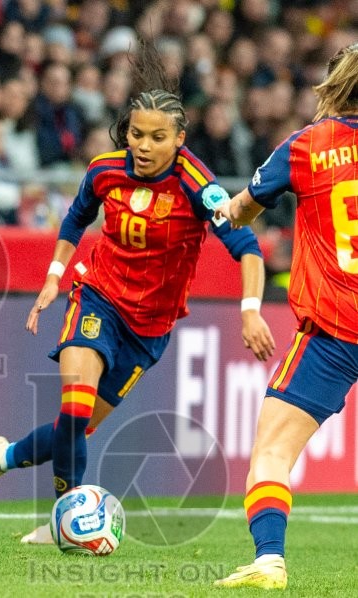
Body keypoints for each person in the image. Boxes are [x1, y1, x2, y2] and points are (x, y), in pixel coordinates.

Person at [0, 38, 277, 543]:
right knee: (75, 406)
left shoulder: (198, 184)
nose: (143, 146)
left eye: (156, 137)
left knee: (73, 428)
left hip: (150, 329)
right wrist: (53, 279)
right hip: (98, 296)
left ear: (180, 139)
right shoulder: (105, 170)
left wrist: (251, 311)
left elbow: (247, 245)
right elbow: (76, 218)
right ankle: (65, 517)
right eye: (135, 134)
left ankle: (1, 457)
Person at [213, 42, 358, 591]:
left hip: (335, 327)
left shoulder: (307, 146)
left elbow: (243, 209)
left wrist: (224, 209)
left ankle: (269, 561)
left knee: (272, 451)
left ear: (333, 86)